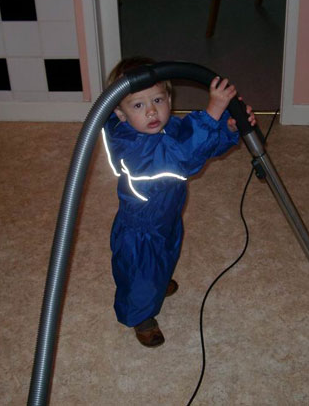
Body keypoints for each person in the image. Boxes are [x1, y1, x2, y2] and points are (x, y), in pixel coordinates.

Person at [102, 57, 256, 347]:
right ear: (120, 114)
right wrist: (211, 112)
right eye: (138, 105)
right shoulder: (129, 144)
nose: (151, 111)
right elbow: (181, 156)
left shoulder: (165, 127)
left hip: (168, 217)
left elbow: (196, 144)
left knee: (166, 257)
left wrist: (228, 128)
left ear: (169, 97)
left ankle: (157, 284)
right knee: (139, 277)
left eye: (158, 99)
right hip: (140, 230)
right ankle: (140, 316)